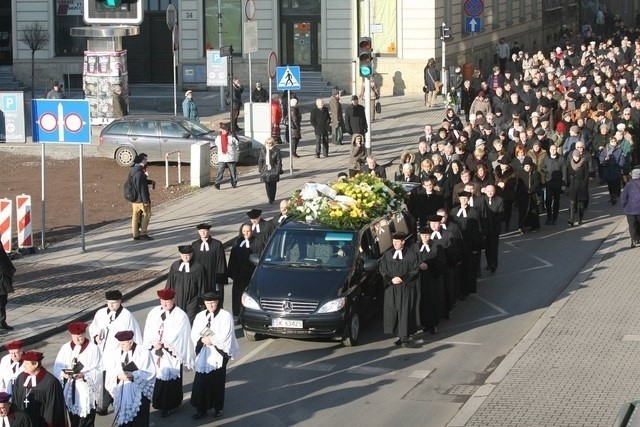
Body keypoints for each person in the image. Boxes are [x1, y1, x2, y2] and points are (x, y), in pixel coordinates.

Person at [88, 289, 142, 416]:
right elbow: (93, 327)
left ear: (120, 301)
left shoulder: (126, 316)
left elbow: (133, 335)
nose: (111, 306)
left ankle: (117, 402)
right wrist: (96, 337)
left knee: (114, 377)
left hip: (117, 354)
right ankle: (102, 405)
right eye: (109, 303)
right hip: (102, 352)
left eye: (114, 303)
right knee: (102, 377)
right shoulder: (100, 313)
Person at [143, 288, 194, 418]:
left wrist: (164, 343)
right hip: (156, 350)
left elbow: (180, 335)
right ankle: (158, 402)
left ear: (173, 300)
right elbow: (149, 329)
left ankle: (170, 404)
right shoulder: (154, 312)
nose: (165, 304)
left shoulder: (180, 315)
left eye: (167, 301)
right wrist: (154, 342)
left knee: (169, 377)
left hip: (171, 353)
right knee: (157, 376)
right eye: (162, 301)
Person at [190, 292, 239, 420]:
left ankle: (218, 408)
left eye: (213, 303)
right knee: (201, 382)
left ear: (217, 302)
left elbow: (226, 335)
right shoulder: (200, 316)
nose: (211, 305)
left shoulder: (225, 316)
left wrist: (212, 340)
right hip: (204, 352)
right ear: (204, 304)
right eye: (208, 303)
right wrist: (202, 339)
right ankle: (201, 409)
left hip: (218, 353)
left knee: (217, 382)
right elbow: (194, 332)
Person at [53, 322, 102, 427]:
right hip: (70, 391)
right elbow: (57, 367)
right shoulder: (65, 348)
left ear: (84, 334)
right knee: (74, 421)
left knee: (87, 422)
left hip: (86, 391)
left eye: (80, 337)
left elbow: (99, 369)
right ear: (71, 336)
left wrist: (84, 375)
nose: (78, 340)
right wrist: (64, 374)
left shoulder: (93, 349)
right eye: (75, 337)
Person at [104, 330, 155, 427]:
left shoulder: (143, 352)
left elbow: (149, 372)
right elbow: (111, 371)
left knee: (139, 418)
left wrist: (134, 375)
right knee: (123, 418)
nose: (121, 347)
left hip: (138, 391)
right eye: (120, 344)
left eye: (123, 344)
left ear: (130, 342)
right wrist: (118, 376)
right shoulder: (116, 353)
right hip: (123, 390)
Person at [379, 232, 420, 347]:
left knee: (405, 310)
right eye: (394, 242)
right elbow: (382, 269)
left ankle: (404, 336)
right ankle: (399, 334)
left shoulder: (412, 255)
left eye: (397, 242)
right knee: (394, 310)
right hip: (392, 288)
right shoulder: (387, 255)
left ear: (403, 242)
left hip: (406, 287)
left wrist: (403, 279)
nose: (395, 244)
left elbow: (415, 270)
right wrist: (390, 279)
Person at [12, 351, 67, 427]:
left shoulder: (50, 382)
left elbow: (52, 409)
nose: (23, 366)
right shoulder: (20, 378)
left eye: (26, 364)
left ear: (36, 364)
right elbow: (15, 401)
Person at [165, 245, 210, 324]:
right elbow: (170, 283)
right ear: (180, 255)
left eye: (188, 255)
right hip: (177, 298)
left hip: (192, 299)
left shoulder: (198, 267)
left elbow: (202, 285)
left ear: (192, 255)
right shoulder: (175, 266)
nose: (186, 257)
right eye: (184, 255)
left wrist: (201, 301)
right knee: (178, 319)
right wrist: (167, 297)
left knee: (190, 320)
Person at [414, 226, 447, 335]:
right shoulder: (415, 247)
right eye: (423, 235)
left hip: (432, 279)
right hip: (419, 279)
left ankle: (433, 324)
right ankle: (424, 323)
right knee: (421, 301)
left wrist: (429, 266)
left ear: (430, 235)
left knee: (432, 300)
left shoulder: (437, 247)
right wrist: (418, 266)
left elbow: (441, 262)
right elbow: (410, 261)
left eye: (427, 235)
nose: (424, 237)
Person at [228, 224, 264, 318]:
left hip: (251, 275)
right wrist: (231, 272)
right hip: (239, 275)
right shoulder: (237, 242)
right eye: (244, 231)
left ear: (251, 231)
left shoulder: (258, 243)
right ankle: (236, 314)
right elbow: (232, 258)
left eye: (248, 231)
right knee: (237, 295)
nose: (246, 233)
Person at [191, 223, 228, 308]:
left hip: (213, 278)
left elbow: (221, 262)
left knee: (215, 300)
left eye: (205, 231)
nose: (203, 233)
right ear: (198, 232)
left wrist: (219, 279)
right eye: (201, 231)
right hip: (201, 278)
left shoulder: (217, 244)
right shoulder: (195, 245)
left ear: (209, 231)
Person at [129, 152, 153, 241]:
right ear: (142, 161)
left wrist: (148, 180)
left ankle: (135, 234)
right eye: (146, 159)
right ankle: (143, 233)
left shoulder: (133, 170)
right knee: (147, 214)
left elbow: (135, 183)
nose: (147, 161)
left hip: (134, 198)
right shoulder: (140, 173)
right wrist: (145, 201)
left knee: (135, 215)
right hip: (141, 199)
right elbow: (142, 188)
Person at [515, 157, 542, 233]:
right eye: (526, 166)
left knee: (533, 211)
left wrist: (531, 190)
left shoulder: (535, 173)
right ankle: (522, 225)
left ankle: (533, 225)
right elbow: (519, 185)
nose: (527, 167)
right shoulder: (520, 174)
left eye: (528, 166)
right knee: (523, 211)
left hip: (532, 195)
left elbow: (536, 183)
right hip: (523, 195)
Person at [565, 149, 590, 226]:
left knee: (580, 204)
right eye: (574, 157)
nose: (576, 158)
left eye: (577, 156)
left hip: (581, 186)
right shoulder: (570, 163)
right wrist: (568, 184)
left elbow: (586, 175)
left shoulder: (584, 163)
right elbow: (568, 173)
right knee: (572, 203)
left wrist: (584, 184)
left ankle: (580, 218)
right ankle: (571, 219)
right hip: (573, 186)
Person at [542, 144, 566, 225]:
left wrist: (563, 184)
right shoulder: (546, 158)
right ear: (549, 150)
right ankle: (549, 217)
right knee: (548, 201)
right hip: (549, 182)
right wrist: (546, 173)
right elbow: (542, 168)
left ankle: (555, 218)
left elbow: (564, 172)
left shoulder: (561, 159)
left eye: (554, 149)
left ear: (557, 150)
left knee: (556, 201)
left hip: (558, 183)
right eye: (551, 149)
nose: (553, 151)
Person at [483, 185, 504, 273]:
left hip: (495, 228)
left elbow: (500, 214)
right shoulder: (483, 200)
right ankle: (488, 263)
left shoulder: (499, 200)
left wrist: (493, 223)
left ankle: (493, 264)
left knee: (494, 247)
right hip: (486, 227)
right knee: (487, 247)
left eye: (491, 191)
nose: (490, 193)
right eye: (488, 191)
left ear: (494, 191)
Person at [599, 136, 625, 205]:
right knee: (609, 184)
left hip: (616, 169)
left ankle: (614, 196)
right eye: (612, 141)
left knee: (615, 184)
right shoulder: (606, 149)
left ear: (616, 142)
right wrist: (604, 159)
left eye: (614, 141)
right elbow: (601, 157)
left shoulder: (619, 150)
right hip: (607, 169)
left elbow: (622, 160)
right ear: (609, 142)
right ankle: (611, 195)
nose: (613, 143)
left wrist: (619, 166)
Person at [213, 122, 239, 190]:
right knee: (220, 171)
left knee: (233, 171)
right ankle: (217, 183)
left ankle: (234, 182)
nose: (224, 132)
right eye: (223, 130)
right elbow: (216, 144)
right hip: (222, 157)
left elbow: (237, 144)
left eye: (226, 130)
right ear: (220, 130)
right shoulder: (218, 138)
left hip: (230, 157)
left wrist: (234, 150)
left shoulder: (231, 137)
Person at [258, 137, 283, 204]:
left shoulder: (276, 150)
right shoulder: (263, 150)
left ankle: (272, 198)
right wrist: (260, 169)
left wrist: (278, 169)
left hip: (273, 168)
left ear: (273, 143)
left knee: (273, 184)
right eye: (267, 143)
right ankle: (269, 197)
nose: (269, 144)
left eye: (270, 143)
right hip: (265, 169)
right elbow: (260, 159)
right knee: (267, 184)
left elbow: (278, 161)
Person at [621, 168, 640, 248]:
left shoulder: (628, 185)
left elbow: (623, 197)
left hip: (630, 210)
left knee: (632, 225)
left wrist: (624, 206)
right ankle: (638, 238)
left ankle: (633, 239)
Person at [0, 248, 15, 331]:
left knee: (3, 300)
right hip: (2, 275)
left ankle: (2, 322)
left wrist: (10, 269)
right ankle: (2, 322)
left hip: (3, 275)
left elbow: (3, 256)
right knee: (2, 300)